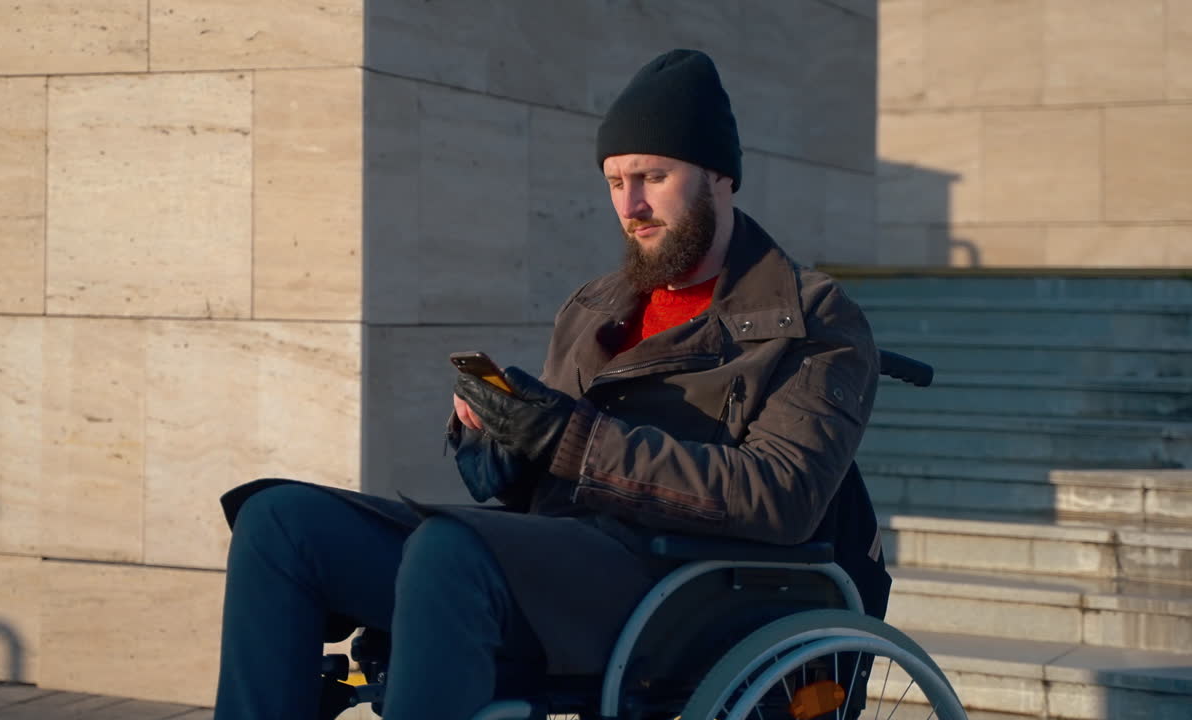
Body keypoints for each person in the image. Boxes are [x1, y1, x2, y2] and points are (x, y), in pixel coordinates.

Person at [213, 49, 888, 720]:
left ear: (720, 175)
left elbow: (781, 495)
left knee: (451, 550)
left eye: (653, 176)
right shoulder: (595, 305)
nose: (632, 205)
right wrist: (502, 435)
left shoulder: (811, 317)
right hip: (555, 558)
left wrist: (570, 438)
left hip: (675, 584)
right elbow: (544, 481)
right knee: (279, 520)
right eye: (615, 181)